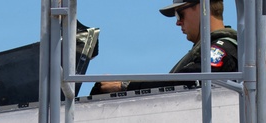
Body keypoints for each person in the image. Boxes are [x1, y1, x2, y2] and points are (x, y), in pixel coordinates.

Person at [92, 0, 238, 94]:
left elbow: (187, 80)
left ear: (201, 7)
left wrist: (123, 87)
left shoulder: (223, 49)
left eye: (180, 14)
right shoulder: (206, 51)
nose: (178, 22)